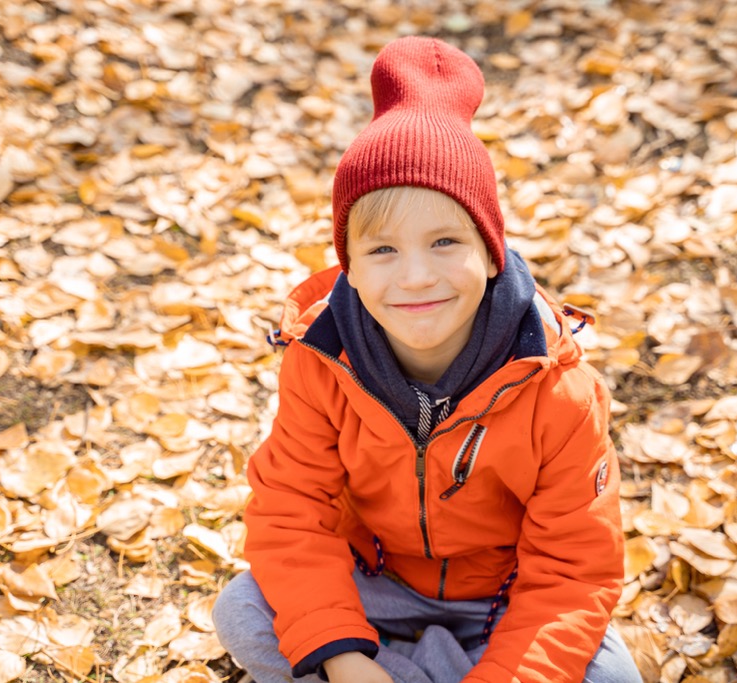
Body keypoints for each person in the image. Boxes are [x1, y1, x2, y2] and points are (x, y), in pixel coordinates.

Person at [213, 36, 641, 683]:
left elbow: (572, 568)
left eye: (445, 240)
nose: (415, 276)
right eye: (382, 250)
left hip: (504, 601)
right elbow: (291, 510)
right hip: (376, 586)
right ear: (349, 265)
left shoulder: (559, 390)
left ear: (492, 253)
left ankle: (437, 667)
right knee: (243, 609)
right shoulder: (321, 361)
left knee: (613, 677)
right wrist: (343, 656)